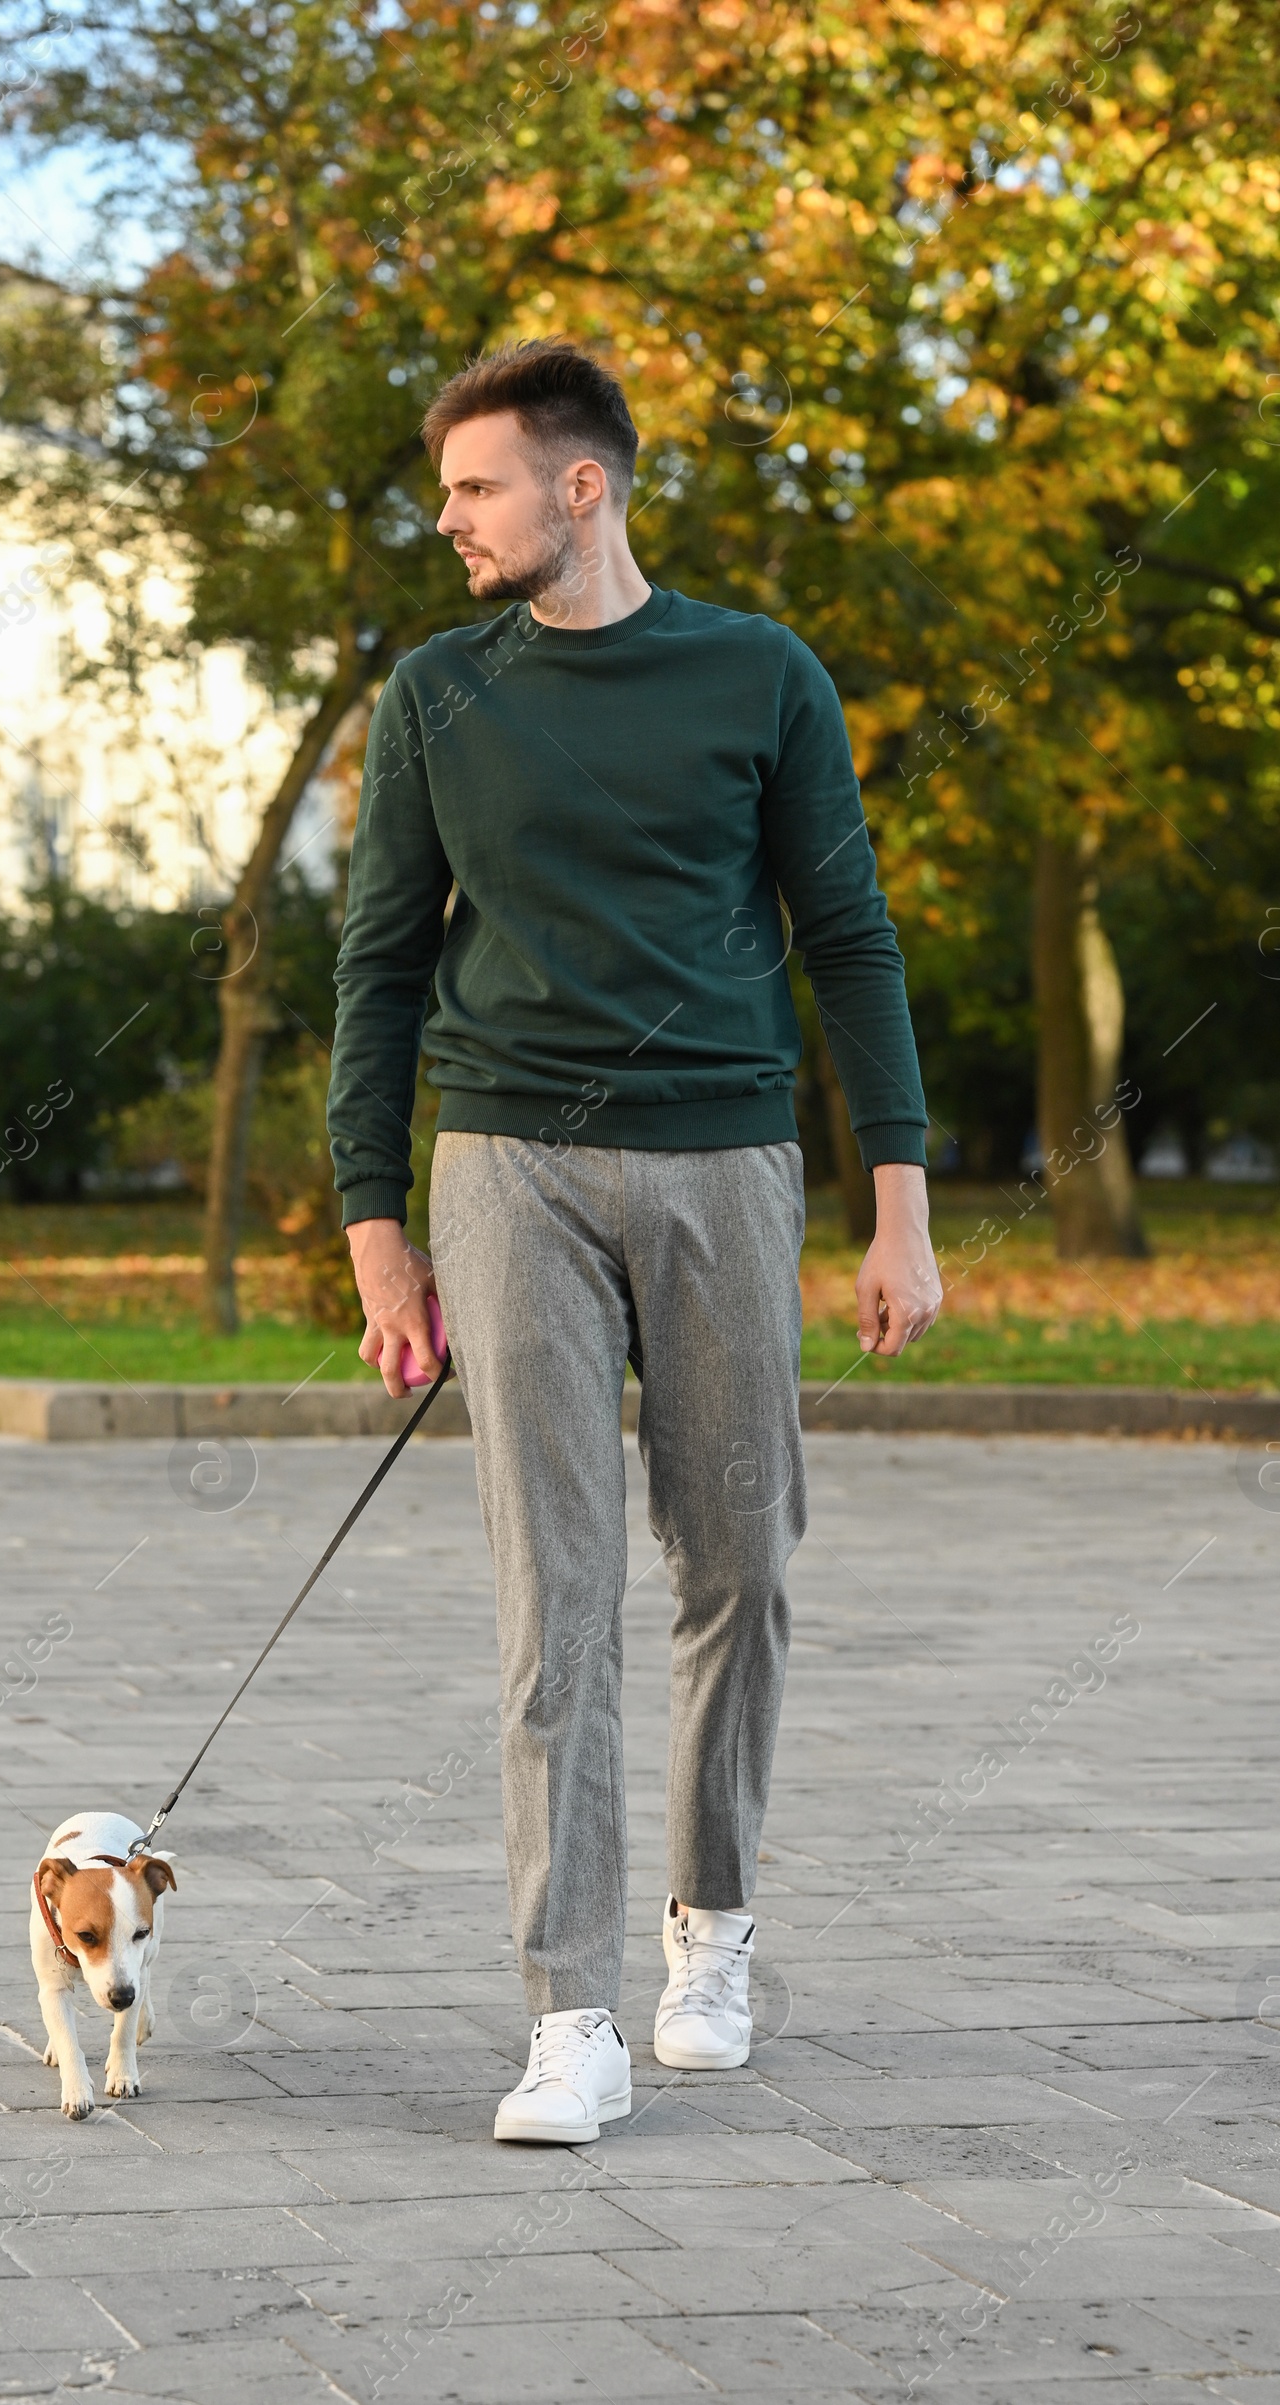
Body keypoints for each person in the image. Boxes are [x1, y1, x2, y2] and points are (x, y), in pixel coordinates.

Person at [326, 340, 942, 2145]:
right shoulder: (436, 694)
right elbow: (374, 966)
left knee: (740, 1559)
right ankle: (569, 2010)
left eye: (475, 487)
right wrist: (378, 1229)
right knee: (556, 1596)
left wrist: (899, 1205)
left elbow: (851, 937)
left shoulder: (759, 673)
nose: (445, 519)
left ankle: (714, 1925)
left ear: (580, 486)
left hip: (726, 1159)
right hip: (505, 1160)